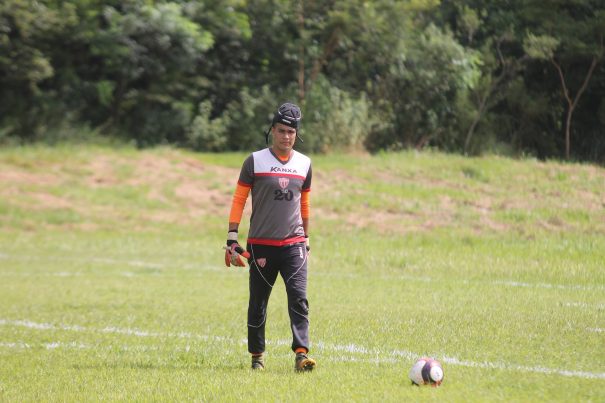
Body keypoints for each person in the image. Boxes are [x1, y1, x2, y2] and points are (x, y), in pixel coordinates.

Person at [224, 102, 316, 372]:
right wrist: (232, 236)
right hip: (261, 245)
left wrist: (307, 237)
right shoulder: (254, 161)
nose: (286, 136)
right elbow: (239, 199)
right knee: (258, 303)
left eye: (291, 132)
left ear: (296, 135)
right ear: (272, 131)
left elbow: (305, 204)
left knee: (299, 298)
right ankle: (257, 357)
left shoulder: (305, 164)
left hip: (294, 244)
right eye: (281, 131)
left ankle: (301, 354)